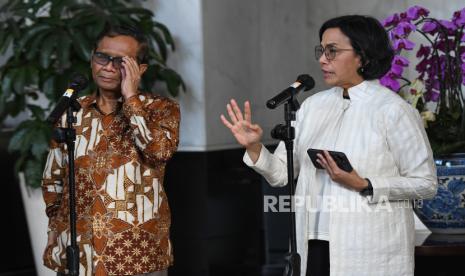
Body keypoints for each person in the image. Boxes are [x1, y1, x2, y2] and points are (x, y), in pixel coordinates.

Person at [221, 15, 437, 276]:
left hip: (369, 247)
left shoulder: (393, 110)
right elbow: (280, 174)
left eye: (332, 51)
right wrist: (254, 147)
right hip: (312, 243)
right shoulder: (313, 106)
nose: (323, 59)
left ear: (363, 56)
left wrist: (365, 184)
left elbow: (425, 183)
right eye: (321, 50)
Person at [41, 24, 180, 276]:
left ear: (140, 69)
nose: (107, 67)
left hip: (135, 253)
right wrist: (54, 229)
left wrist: (130, 97)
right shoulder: (72, 111)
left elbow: (158, 152)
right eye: (102, 57)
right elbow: (54, 178)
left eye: (120, 62)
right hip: (78, 248)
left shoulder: (161, 109)